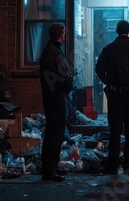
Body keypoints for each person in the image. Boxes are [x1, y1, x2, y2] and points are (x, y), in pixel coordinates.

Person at [95, 20, 129, 174]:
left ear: (117, 31)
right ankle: (128, 164)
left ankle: (112, 164)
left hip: (115, 94)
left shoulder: (108, 49)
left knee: (115, 130)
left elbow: (99, 69)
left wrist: (107, 80)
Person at [39, 22, 74, 182]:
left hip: (55, 96)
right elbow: (58, 77)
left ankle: (50, 168)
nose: (65, 36)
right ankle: (49, 170)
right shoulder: (53, 53)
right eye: (64, 33)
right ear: (61, 35)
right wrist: (67, 84)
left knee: (55, 131)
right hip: (55, 98)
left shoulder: (51, 51)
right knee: (55, 132)